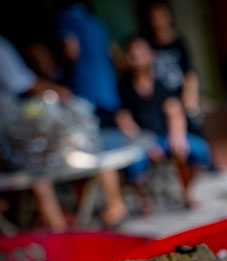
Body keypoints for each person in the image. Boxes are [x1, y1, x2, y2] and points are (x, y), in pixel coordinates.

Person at [116, 36, 211, 210]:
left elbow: (174, 111)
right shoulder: (124, 88)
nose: (136, 57)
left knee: (198, 149)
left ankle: (186, 191)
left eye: (140, 52)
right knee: (134, 162)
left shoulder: (161, 84)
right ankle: (144, 200)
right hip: (140, 141)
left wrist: (177, 138)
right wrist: (147, 145)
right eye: (132, 53)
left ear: (150, 55)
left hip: (164, 137)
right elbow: (124, 120)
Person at [56, 2, 128, 226]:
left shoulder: (68, 18)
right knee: (108, 148)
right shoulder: (97, 22)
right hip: (107, 93)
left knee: (95, 151)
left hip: (86, 96)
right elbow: (114, 54)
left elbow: (71, 51)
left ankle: (113, 206)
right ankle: (113, 203)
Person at [0, 34, 70, 231]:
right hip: (7, 137)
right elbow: (21, 82)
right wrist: (59, 92)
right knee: (37, 173)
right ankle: (59, 233)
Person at [145, 1, 203, 132]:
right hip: (160, 97)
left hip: (180, 93)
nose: (158, 21)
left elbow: (189, 72)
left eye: (161, 16)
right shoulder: (149, 45)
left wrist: (189, 99)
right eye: (154, 17)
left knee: (193, 125)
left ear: (168, 16)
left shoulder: (179, 42)